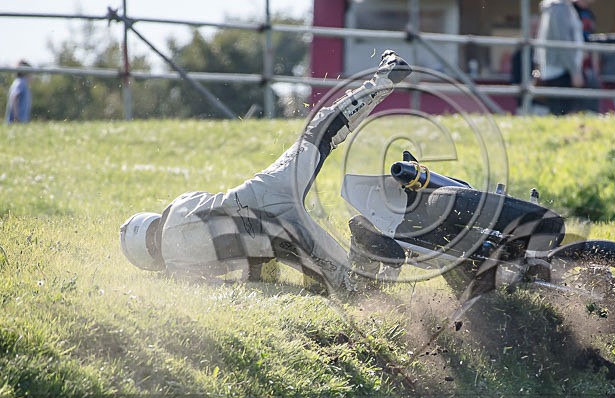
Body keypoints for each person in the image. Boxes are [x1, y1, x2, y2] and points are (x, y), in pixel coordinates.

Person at [120, 50, 411, 293]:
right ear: (152, 220)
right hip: (266, 186)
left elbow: (242, 276)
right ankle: (384, 78)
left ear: (150, 261)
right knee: (320, 131)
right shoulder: (180, 204)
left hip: (277, 235)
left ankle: (363, 251)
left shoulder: (178, 268)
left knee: (347, 287)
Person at [535, 0, 585, 116]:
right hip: (561, 69)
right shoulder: (559, 7)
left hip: (560, 68)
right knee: (561, 112)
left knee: (560, 112)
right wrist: (574, 71)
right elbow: (562, 41)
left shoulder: (560, 7)